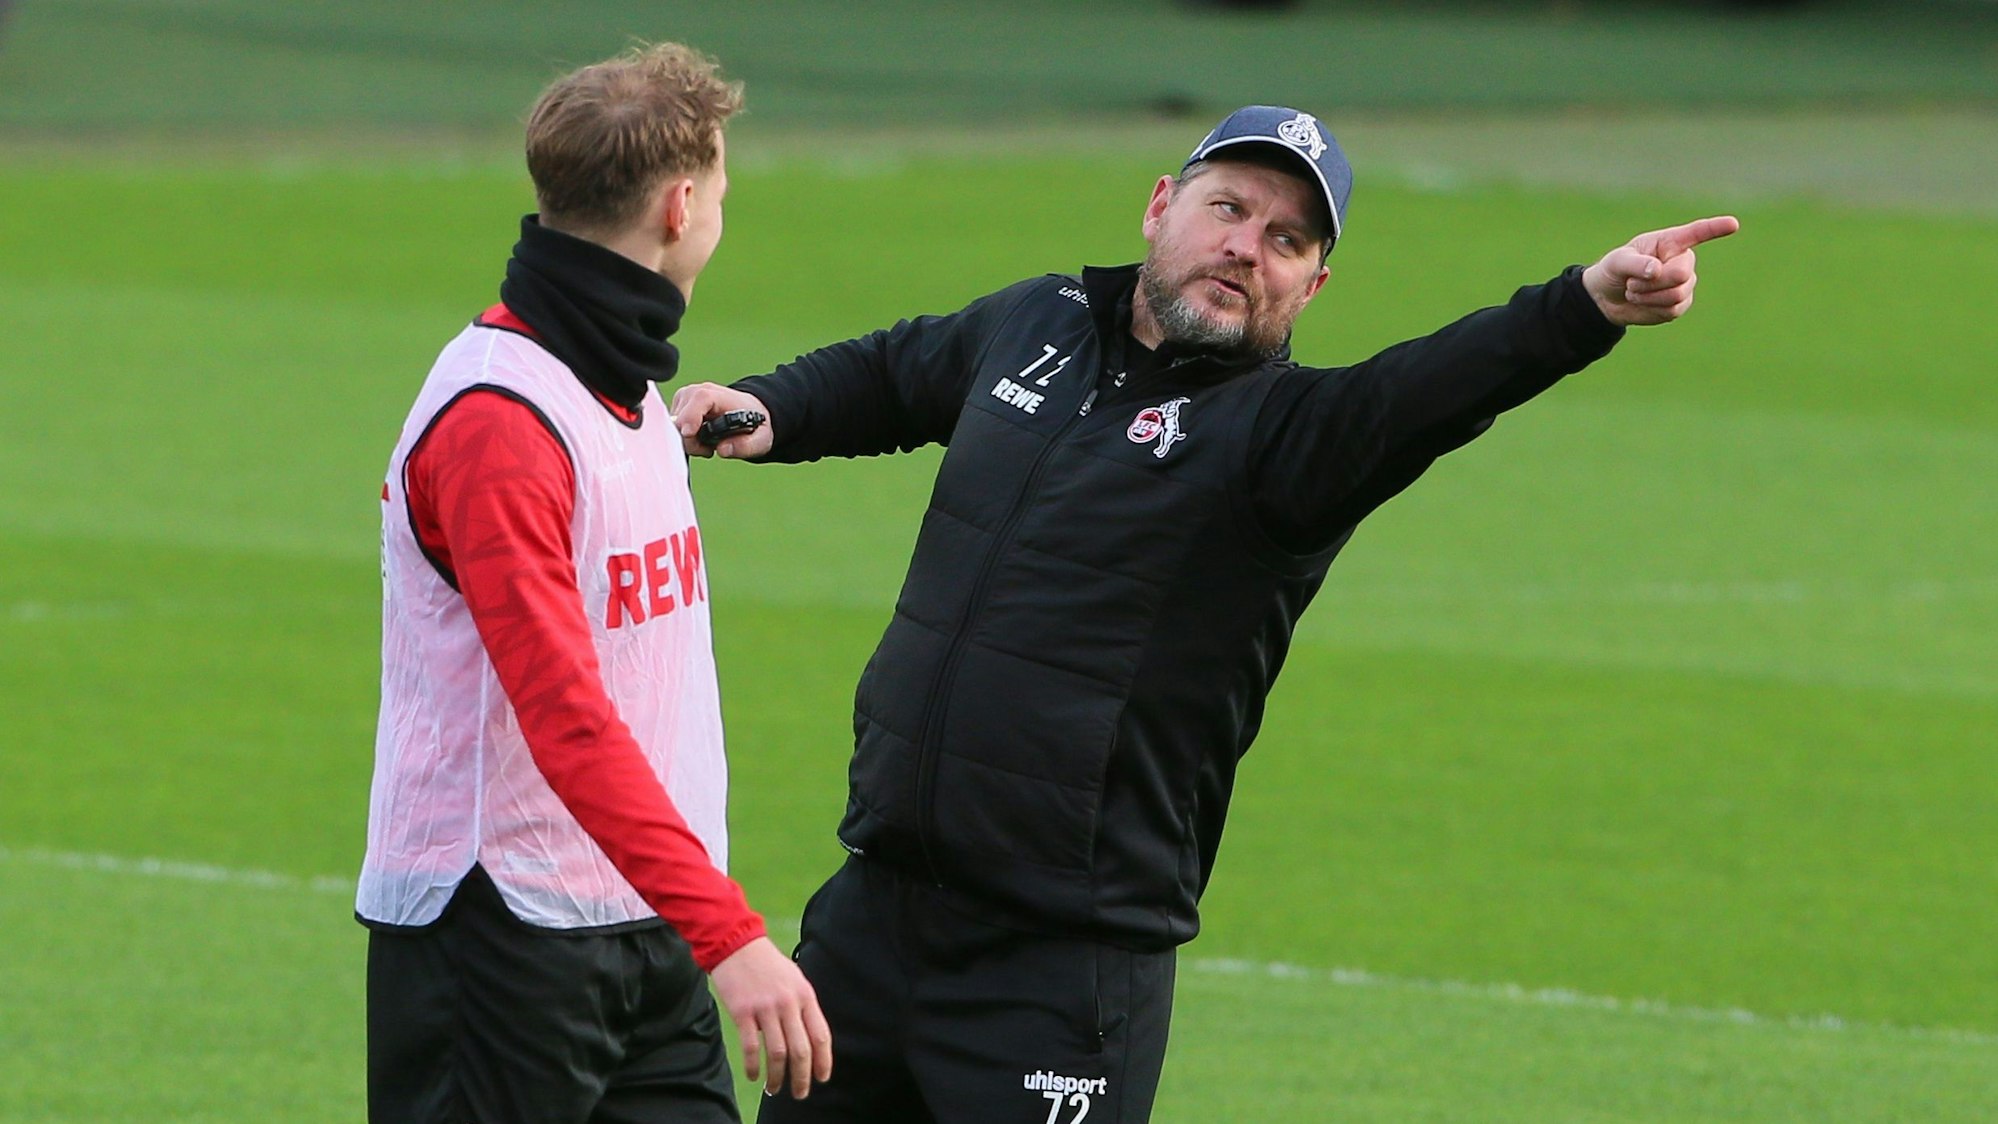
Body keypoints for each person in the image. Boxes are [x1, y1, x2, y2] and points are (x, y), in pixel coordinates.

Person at [672, 105, 1737, 1124]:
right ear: (1159, 207)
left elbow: (1435, 384)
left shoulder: (1286, 443)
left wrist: (1586, 304)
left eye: (1287, 238)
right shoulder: (1038, 323)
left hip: (1058, 970)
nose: (1246, 247)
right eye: (1227, 209)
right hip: (872, 919)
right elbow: (901, 369)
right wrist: (776, 409)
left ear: (1314, 285)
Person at [357, 42, 830, 1124]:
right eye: (719, 185)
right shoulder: (498, 424)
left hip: (642, 922)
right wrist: (731, 933)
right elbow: (565, 713)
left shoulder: (619, 389)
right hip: (498, 944)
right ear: (678, 205)